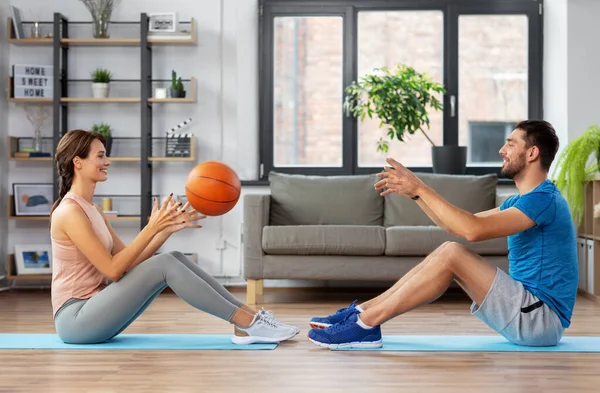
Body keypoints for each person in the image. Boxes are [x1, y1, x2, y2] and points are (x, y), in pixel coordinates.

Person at [308, 120, 578, 349]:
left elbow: (472, 230)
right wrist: (415, 193)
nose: (501, 150)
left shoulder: (543, 200)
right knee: (446, 250)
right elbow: (457, 225)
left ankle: (365, 325)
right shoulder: (523, 201)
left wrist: (421, 188)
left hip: (540, 320)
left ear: (532, 154)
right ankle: (361, 313)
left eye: (510, 144)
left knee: (452, 252)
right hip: (529, 313)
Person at [50, 129, 299, 345]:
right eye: (101, 156)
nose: (108, 161)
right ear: (78, 162)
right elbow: (113, 271)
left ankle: (248, 319)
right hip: (76, 320)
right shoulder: (70, 212)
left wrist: (164, 230)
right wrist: (151, 227)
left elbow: (127, 264)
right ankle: (249, 322)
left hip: (96, 310)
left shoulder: (91, 209)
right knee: (166, 263)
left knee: (173, 256)